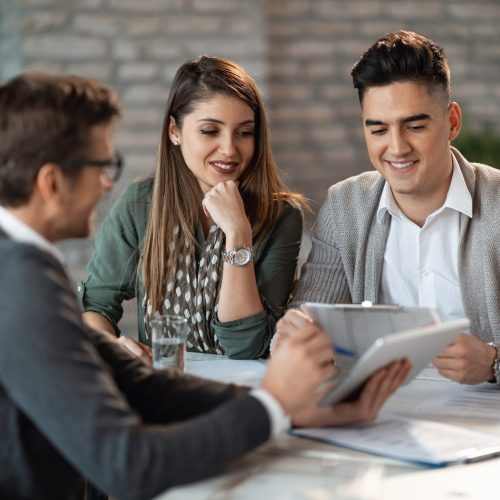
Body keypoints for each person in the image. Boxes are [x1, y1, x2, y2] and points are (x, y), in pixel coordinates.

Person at [0, 72, 410, 500]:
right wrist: (271, 404)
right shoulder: (23, 284)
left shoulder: (23, 268)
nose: (108, 182)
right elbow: (129, 465)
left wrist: (299, 409)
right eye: (103, 166)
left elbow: (139, 383)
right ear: (51, 182)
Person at [283, 30, 500, 386]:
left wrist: (494, 361)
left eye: (414, 126)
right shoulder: (345, 207)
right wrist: (296, 334)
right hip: (378, 419)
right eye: (378, 129)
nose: (396, 148)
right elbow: (307, 321)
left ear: (452, 122)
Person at [78, 56, 306, 362]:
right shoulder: (141, 204)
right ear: (174, 130)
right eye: (210, 131)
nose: (229, 149)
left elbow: (246, 345)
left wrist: (238, 233)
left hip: (245, 386)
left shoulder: (282, 215)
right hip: (167, 384)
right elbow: (96, 305)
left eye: (244, 132)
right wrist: (109, 346)